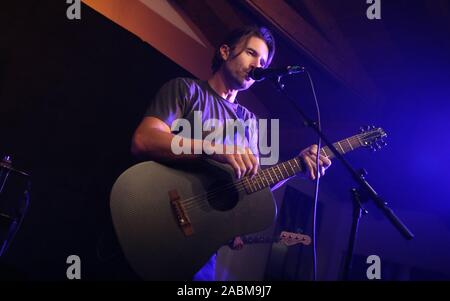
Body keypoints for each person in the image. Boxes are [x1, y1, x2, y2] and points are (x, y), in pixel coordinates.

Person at [131, 25, 331, 280]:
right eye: (250, 53)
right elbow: (143, 139)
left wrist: (296, 168)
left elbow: (252, 186)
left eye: (263, 61)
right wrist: (213, 148)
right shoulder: (185, 90)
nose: (257, 64)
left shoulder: (249, 122)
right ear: (225, 52)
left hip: (202, 251)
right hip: (156, 217)